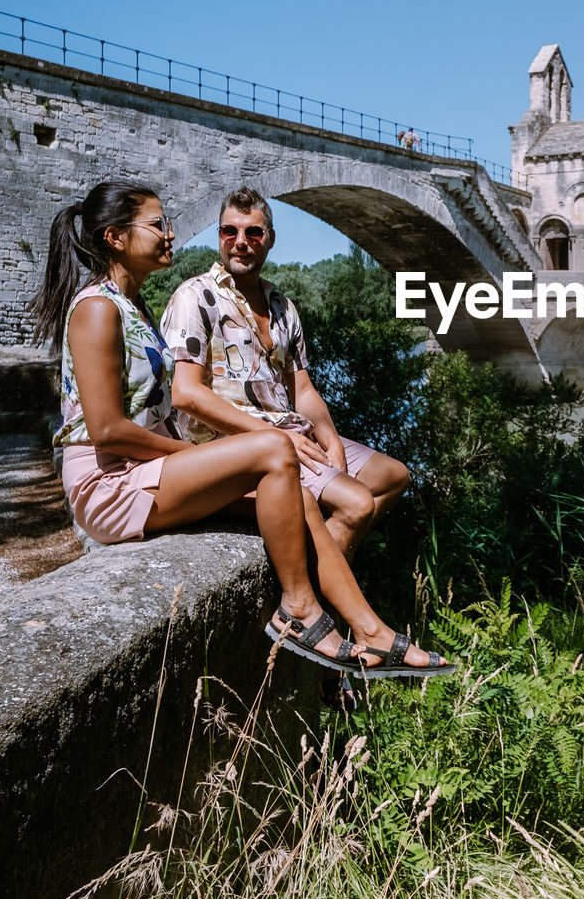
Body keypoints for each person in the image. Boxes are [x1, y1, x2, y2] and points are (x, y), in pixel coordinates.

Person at [29, 180, 452, 679]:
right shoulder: (97, 308)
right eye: (158, 224)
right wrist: (184, 455)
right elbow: (105, 431)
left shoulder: (134, 308)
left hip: (143, 471)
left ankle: (372, 633)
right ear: (115, 238)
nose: (171, 234)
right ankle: (298, 608)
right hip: (110, 484)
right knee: (274, 449)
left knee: (295, 497)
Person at [160, 186, 407, 565]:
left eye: (253, 233)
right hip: (236, 446)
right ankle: (312, 598)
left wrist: (331, 440)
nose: (241, 242)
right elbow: (186, 395)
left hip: (288, 432)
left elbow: (303, 389)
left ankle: (313, 558)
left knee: (393, 477)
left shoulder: (283, 307)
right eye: (230, 232)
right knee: (357, 503)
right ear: (220, 237)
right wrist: (275, 438)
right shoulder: (195, 296)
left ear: (269, 239)